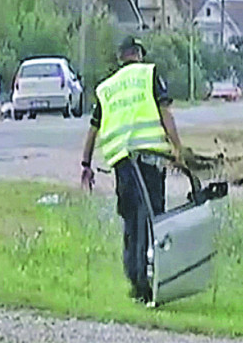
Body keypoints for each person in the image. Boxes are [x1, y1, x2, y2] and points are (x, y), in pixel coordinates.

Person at [80, 36, 185, 304]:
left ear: (119, 57)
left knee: (131, 221)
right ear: (138, 54)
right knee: (151, 220)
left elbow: (93, 129)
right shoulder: (149, 74)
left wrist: (86, 165)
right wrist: (177, 148)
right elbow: (165, 113)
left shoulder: (107, 88)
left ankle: (136, 281)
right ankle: (150, 281)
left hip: (123, 165)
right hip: (148, 160)